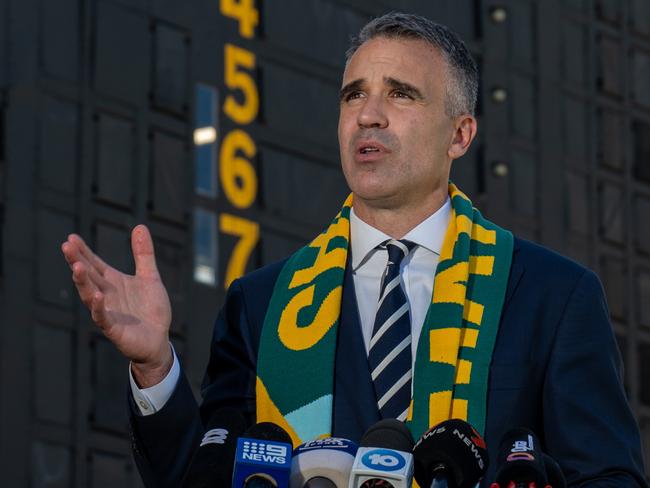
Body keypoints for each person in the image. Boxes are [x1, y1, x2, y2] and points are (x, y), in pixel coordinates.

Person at [61, 12, 647, 487]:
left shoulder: (552, 294)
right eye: (353, 95)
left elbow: (610, 477)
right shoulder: (259, 305)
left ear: (461, 135)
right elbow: (203, 478)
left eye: (401, 94)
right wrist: (155, 366)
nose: (368, 115)